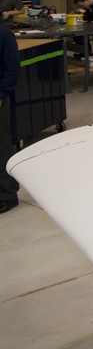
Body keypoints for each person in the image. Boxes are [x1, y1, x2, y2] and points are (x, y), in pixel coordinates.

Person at [0, 21, 21, 214]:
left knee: (1, 147)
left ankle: (8, 195)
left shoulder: (4, 35)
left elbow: (12, 70)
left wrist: (0, 95)